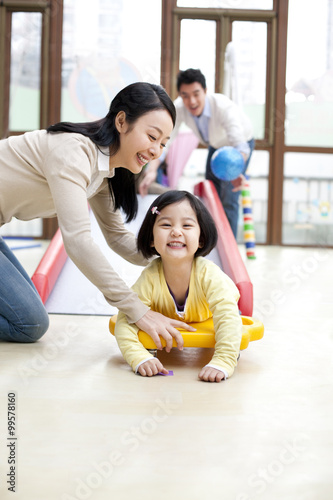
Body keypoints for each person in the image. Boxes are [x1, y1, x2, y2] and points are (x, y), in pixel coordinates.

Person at [0, 82, 196, 346]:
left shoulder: (104, 173)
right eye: (152, 137)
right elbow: (78, 242)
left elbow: (117, 238)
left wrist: (174, 255)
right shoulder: (75, 152)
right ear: (122, 121)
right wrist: (138, 311)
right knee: (30, 324)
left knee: (30, 320)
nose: (155, 150)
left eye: (163, 143)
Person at [114, 190, 242, 382]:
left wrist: (224, 360)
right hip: (179, 315)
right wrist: (139, 358)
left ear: (201, 238)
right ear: (151, 237)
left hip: (208, 313)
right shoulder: (149, 277)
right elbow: (125, 320)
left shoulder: (210, 275)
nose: (176, 231)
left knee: (229, 311)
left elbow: (228, 316)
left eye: (187, 225)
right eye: (166, 225)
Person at [138, 68, 255, 238]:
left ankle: (230, 244)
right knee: (211, 190)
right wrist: (151, 170)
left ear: (206, 91)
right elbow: (166, 142)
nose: (191, 101)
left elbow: (240, 144)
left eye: (196, 94)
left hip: (237, 147)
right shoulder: (178, 108)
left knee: (229, 195)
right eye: (185, 95)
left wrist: (236, 170)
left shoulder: (223, 107)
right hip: (215, 145)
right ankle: (212, 236)